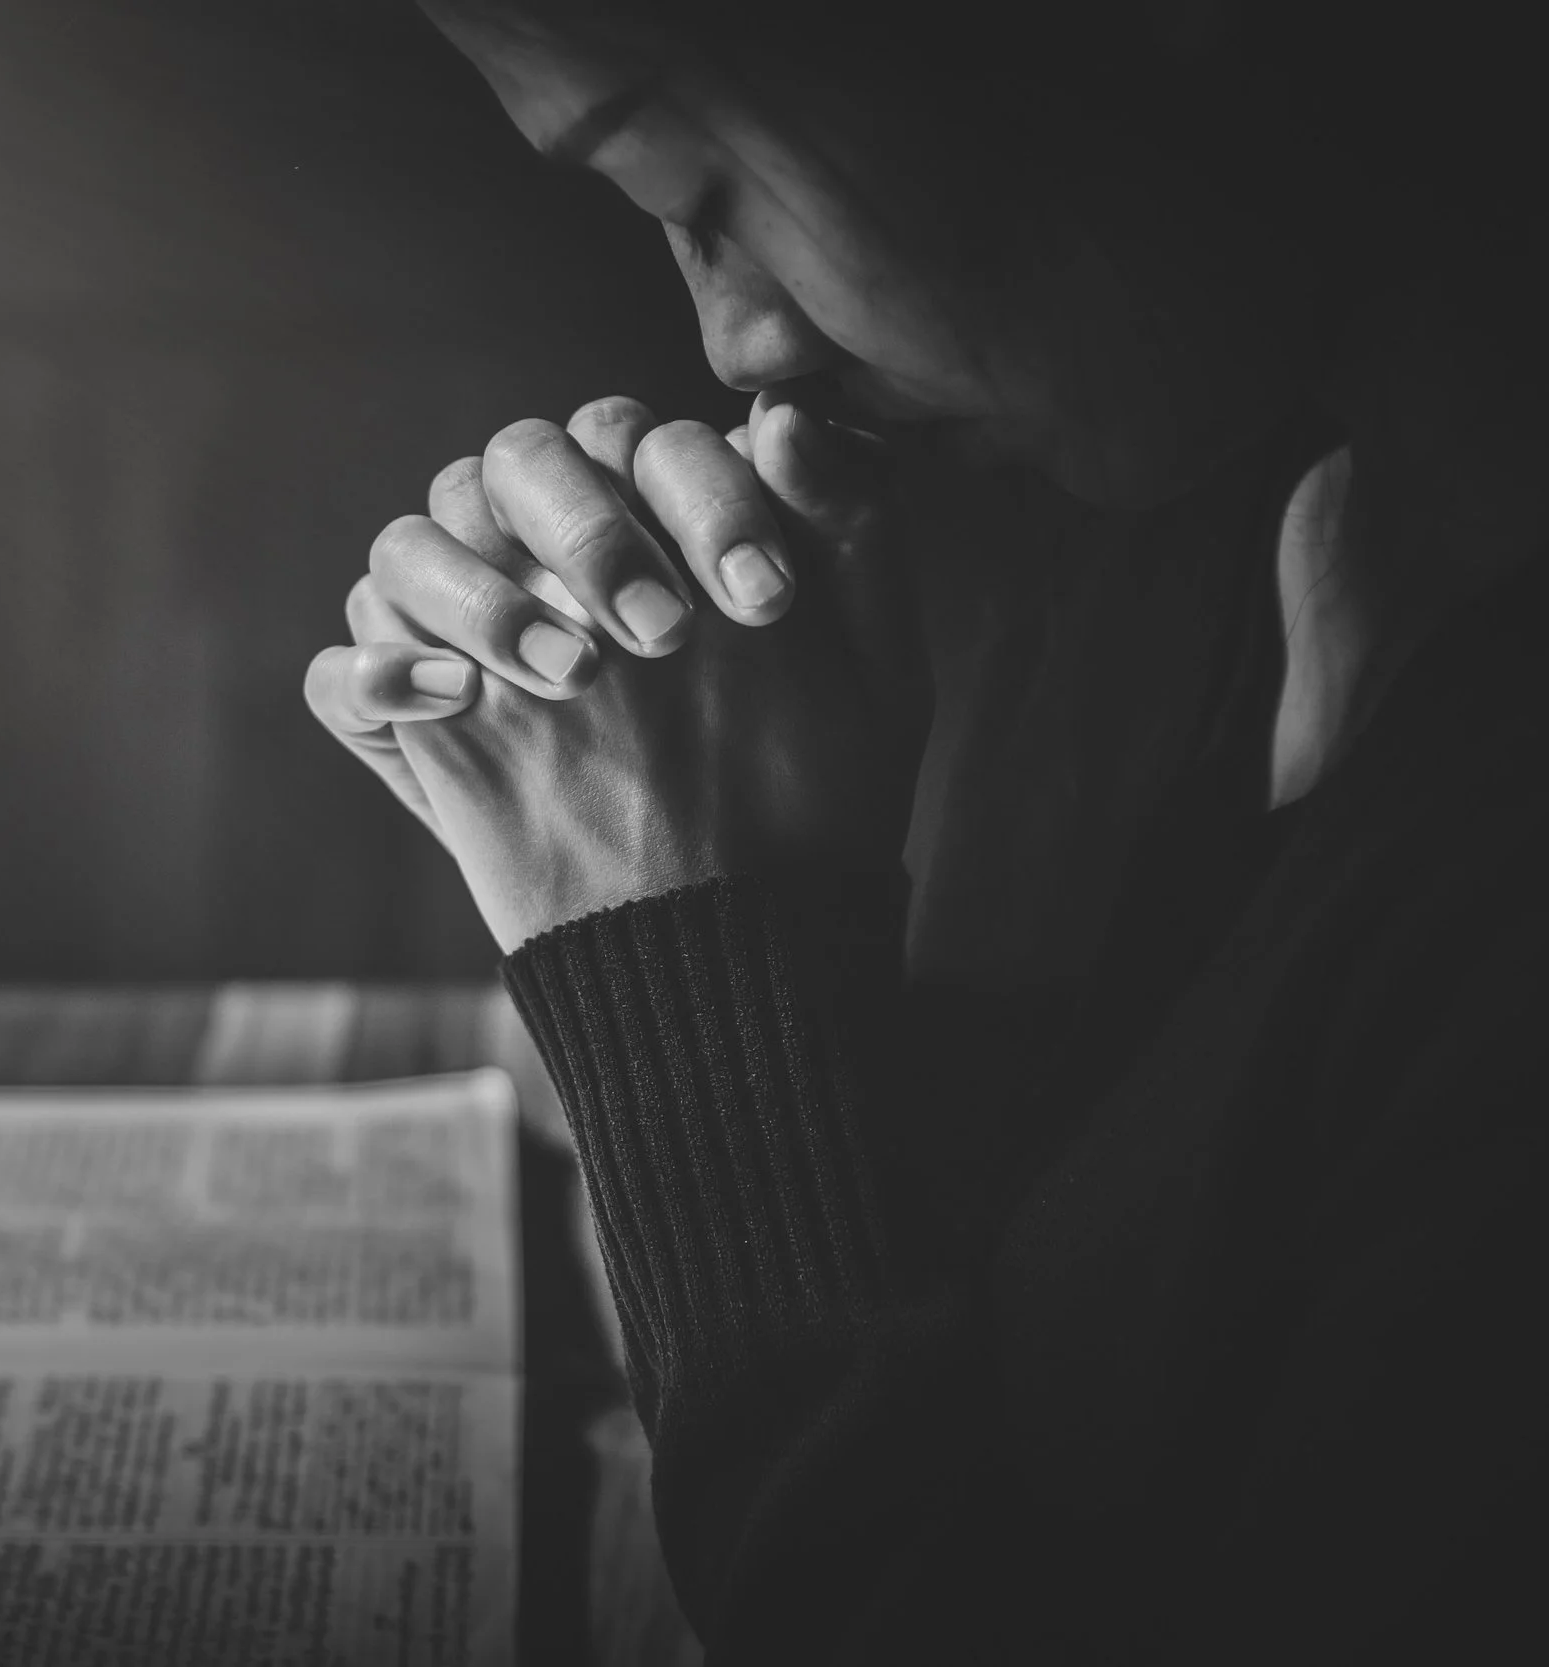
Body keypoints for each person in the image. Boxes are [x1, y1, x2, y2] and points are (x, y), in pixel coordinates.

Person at [304, 1, 1549, 1658]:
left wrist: (672, 975)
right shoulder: (1210, 515)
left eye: (693, 179)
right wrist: (797, 892)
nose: (737, 341)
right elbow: (1063, 1380)